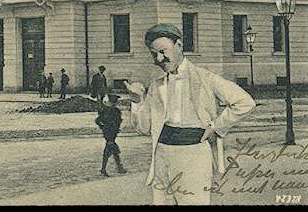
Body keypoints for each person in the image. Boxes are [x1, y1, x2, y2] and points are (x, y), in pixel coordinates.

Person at [127, 23, 255, 206]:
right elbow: (143, 128)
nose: (159, 59)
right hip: (162, 156)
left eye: (163, 51)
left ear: (179, 45)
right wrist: (137, 101)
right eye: (154, 54)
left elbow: (245, 102)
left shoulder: (206, 78)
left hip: (193, 156)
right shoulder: (156, 85)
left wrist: (216, 126)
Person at [96, 94, 127, 177]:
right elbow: (98, 120)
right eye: (114, 102)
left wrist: (103, 127)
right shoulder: (110, 111)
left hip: (111, 133)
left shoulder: (111, 111)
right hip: (109, 134)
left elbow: (99, 121)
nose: (115, 103)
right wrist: (104, 127)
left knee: (114, 151)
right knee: (109, 151)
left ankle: (119, 168)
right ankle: (104, 169)